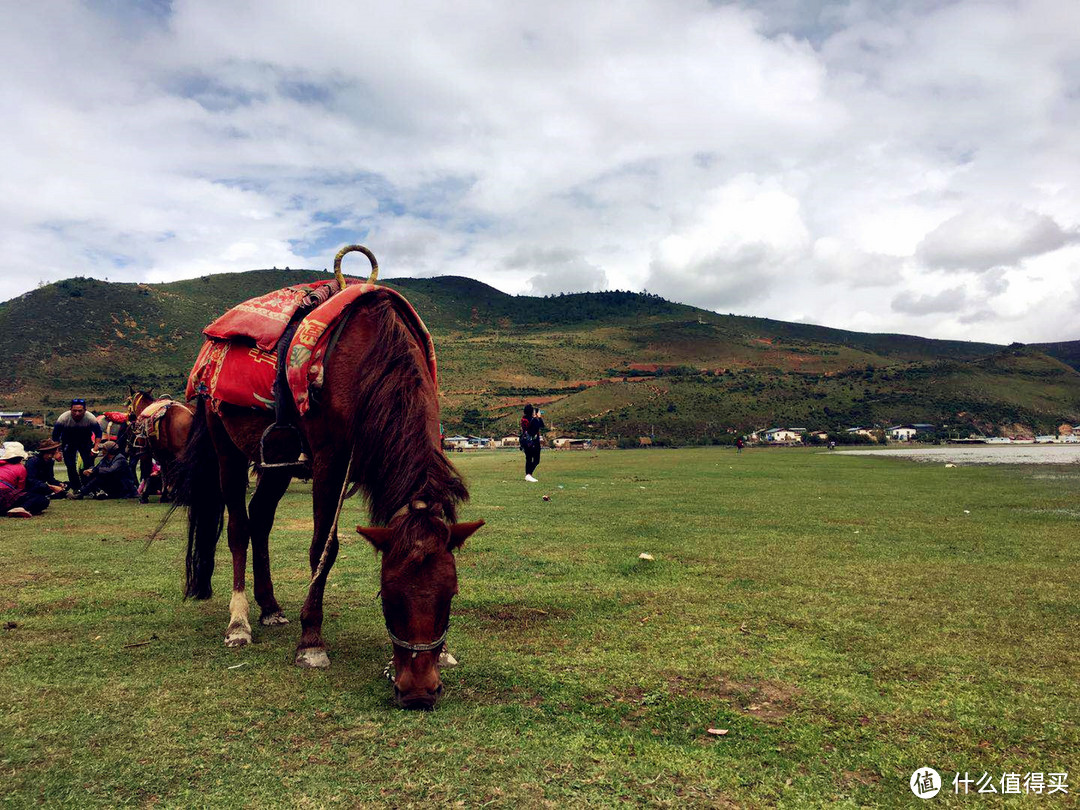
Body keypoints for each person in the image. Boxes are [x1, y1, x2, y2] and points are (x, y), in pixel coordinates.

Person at [52, 398, 103, 488]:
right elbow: (55, 436)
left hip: (85, 441)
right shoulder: (63, 418)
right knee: (70, 465)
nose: (77, 413)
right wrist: (56, 452)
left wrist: (95, 448)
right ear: (70, 410)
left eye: (80, 411)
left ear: (85, 410)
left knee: (89, 464)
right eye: (74, 411)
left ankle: (90, 487)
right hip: (68, 441)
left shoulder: (90, 418)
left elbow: (98, 433)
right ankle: (76, 488)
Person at [70, 441, 138, 500]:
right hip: (114, 483)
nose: (102, 451)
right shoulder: (105, 459)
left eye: (103, 449)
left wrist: (94, 471)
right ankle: (90, 492)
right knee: (92, 475)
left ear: (109, 451)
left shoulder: (120, 459)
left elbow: (111, 470)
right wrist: (90, 470)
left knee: (99, 477)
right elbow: (98, 468)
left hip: (124, 487)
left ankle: (81, 493)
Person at [0, 442, 49, 517]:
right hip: (4, 493)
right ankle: (22, 508)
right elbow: (21, 488)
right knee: (41, 499)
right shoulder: (20, 468)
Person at [520, 404, 545, 482]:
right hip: (534, 442)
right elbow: (541, 426)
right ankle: (529, 474)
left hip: (526, 442)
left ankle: (528, 474)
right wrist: (539, 417)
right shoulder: (533, 420)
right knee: (536, 460)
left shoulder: (524, 419)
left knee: (528, 459)